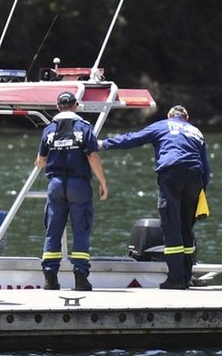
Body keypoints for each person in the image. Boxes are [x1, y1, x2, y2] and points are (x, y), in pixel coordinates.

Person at [99, 105, 210, 289]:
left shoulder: (162, 125)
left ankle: (175, 279)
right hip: (195, 177)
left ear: (169, 116)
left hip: (172, 173)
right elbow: (206, 168)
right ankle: (185, 277)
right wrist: (200, 191)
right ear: (187, 117)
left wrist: (104, 144)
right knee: (186, 228)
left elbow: (133, 138)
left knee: (171, 226)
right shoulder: (196, 132)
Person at [35, 91, 108, 291]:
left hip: (55, 184)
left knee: (53, 230)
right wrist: (102, 181)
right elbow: (92, 156)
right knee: (81, 229)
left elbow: (40, 161)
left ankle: (50, 277)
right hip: (78, 184)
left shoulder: (49, 129)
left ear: (58, 106)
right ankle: (80, 277)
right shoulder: (84, 127)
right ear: (76, 105)